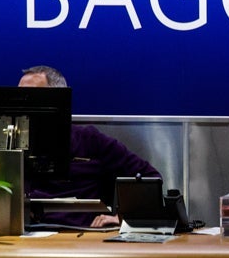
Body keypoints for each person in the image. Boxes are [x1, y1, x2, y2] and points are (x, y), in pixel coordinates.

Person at [18, 65, 160, 227]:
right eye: (20, 97)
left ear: (58, 102)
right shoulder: (11, 144)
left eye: (32, 97)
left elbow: (150, 177)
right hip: (28, 235)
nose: (25, 105)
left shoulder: (90, 140)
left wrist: (123, 218)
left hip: (83, 237)